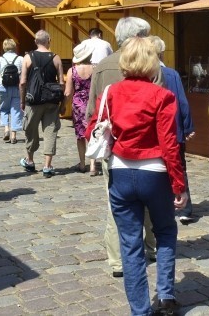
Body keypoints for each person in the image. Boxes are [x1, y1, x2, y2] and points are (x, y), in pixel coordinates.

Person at [85, 37, 187, 316]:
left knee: (129, 243)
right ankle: (165, 296)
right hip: (154, 172)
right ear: (152, 63)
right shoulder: (162, 96)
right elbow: (169, 143)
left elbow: (91, 129)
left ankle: (140, 310)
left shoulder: (111, 92)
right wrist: (179, 185)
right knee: (164, 231)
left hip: (120, 169)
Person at [86, 16, 157, 278]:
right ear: (138, 37)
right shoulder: (151, 64)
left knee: (115, 203)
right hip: (147, 148)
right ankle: (151, 247)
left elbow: (93, 112)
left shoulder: (102, 66)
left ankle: (117, 261)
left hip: (113, 146)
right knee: (149, 201)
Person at [149, 35, 195, 225]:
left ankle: (161, 207)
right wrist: (187, 127)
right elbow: (182, 103)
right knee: (179, 167)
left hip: (154, 132)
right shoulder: (172, 74)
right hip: (173, 130)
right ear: (161, 53)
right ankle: (185, 208)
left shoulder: (145, 74)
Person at [19, 30, 64, 178]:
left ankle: (30, 161)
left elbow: (23, 82)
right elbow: (61, 83)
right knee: (50, 131)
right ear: (49, 40)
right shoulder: (56, 58)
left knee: (30, 130)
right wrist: (62, 102)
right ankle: (47, 165)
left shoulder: (28, 57)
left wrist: (22, 100)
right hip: (51, 100)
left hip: (34, 100)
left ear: (35, 41)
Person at [65, 40, 94, 173]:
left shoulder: (72, 70)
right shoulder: (95, 68)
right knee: (92, 133)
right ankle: (93, 164)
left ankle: (82, 163)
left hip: (78, 104)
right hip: (92, 103)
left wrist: (63, 106)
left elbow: (68, 92)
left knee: (80, 135)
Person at [0, 38, 23, 144]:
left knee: (3, 109)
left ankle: (6, 129)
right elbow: (23, 76)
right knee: (16, 110)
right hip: (16, 87)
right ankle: (14, 135)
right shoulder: (20, 59)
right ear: (14, 47)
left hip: (2, 87)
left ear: (4, 47)